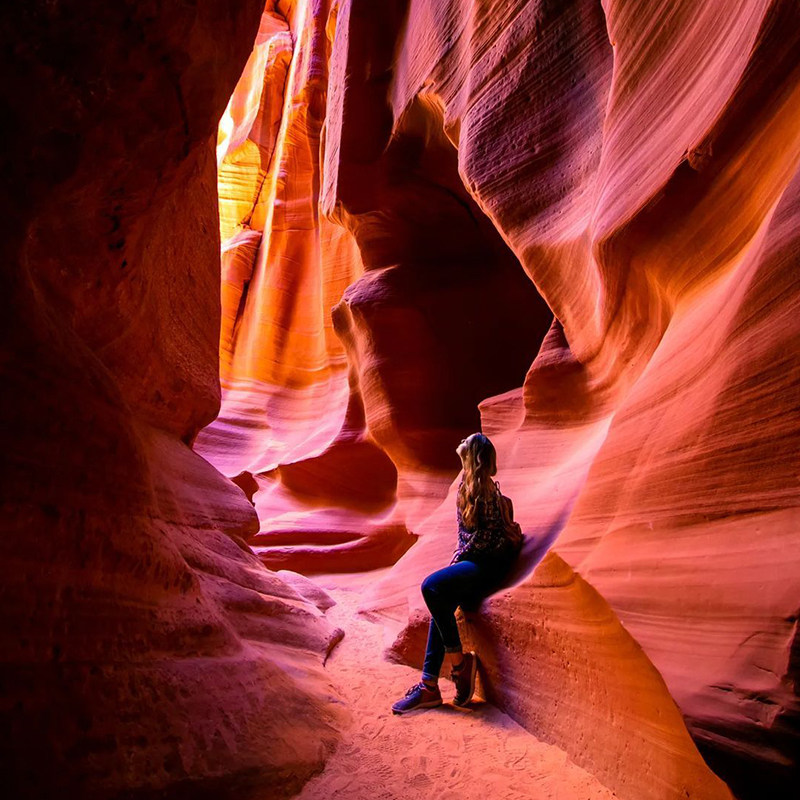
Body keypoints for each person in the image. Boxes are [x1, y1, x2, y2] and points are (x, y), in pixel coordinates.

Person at [392, 432, 522, 714]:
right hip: (474, 563)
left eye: (465, 449)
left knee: (431, 586)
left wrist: (458, 562)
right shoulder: (466, 489)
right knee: (442, 599)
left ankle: (460, 666)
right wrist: (457, 563)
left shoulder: (487, 492)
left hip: (487, 566)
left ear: (473, 458)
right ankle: (429, 686)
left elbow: (485, 544)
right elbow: (465, 541)